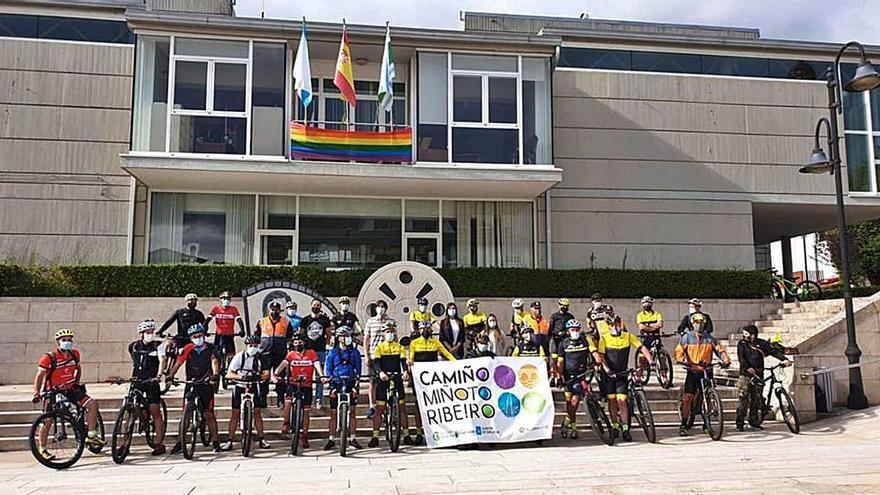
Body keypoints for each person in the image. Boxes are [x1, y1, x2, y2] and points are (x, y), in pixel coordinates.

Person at [33, 329, 103, 460]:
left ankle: (91, 434)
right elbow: (39, 375)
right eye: (64, 340)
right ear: (58, 342)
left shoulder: (74, 354)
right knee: (47, 420)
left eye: (69, 340)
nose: (67, 342)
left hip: (70, 388)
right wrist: (37, 392)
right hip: (53, 390)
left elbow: (78, 367)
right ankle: (42, 448)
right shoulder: (49, 357)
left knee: (93, 404)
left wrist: (76, 381)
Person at [593, 314, 653, 442]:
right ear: (609, 326)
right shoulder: (604, 338)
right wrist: (607, 370)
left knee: (622, 401)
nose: (615, 327)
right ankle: (614, 425)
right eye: (612, 325)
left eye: (617, 324)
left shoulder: (628, 336)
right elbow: (601, 357)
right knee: (612, 400)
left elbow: (642, 348)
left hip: (622, 373)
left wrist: (651, 360)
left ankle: (625, 428)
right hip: (609, 373)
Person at [166, 323, 222, 453]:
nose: (198, 338)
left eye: (200, 335)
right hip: (191, 383)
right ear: (191, 338)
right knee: (185, 412)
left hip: (206, 383)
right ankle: (180, 441)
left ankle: (215, 441)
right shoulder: (188, 348)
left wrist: (215, 375)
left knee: (209, 413)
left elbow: (214, 361)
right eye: (195, 336)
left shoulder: (211, 348)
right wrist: (170, 375)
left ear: (204, 335)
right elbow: (178, 363)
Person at [674, 313, 731, 436]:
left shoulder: (709, 338)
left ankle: (707, 423)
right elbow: (679, 351)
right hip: (693, 371)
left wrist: (725, 360)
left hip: (706, 370)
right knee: (688, 398)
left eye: (701, 323)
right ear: (693, 324)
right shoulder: (687, 338)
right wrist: (681, 359)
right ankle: (683, 424)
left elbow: (720, 350)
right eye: (696, 323)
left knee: (709, 396)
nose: (699, 325)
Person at [408, 319, 456, 445]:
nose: (426, 331)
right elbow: (411, 358)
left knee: (433, 404)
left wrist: (456, 363)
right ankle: (419, 433)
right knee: (418, 405)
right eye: (423, 329)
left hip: (432, 379)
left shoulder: (435, 342)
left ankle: (434, 431)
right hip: (418, 378)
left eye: (428, 328)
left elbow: (446, 354)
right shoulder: (414, 343)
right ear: (419, 330)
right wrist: (409, 363)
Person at [736, 325, 792, 431]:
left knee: (756, 398)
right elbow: (741, 358)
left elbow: (774, 352)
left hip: (759, 373)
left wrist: (784, 359)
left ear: (753, 335)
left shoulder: (761, 343)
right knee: (744, 399)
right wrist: (748, 368)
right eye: (744, 334)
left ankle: (754, 421)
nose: (745, 336)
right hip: (746, 374)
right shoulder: (742, 344)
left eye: (747, 334)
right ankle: (740, 422)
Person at [274, 331, 323, 450]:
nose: (297, 344)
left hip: (307, 385)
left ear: (304, 343)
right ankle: (286, 422)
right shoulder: (291, 354)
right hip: (294, 383)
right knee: (288, 400)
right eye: (295, 343)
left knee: (306, 411)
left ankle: (305, 434)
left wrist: (322, 376)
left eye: (299, 342)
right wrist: (275, 374)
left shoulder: (311, 353)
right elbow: (283, 365)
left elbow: (317, 365)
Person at [368, 320, 413, 447]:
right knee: (380, 408)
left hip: (396, 377)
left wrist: (405, 372)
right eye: (387, 332)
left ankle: (406, 435)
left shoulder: (399, 347)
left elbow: (403, 361)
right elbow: (376, 363)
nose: (390, 334)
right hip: (383, 379)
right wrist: (380, 373)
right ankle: (375, 436)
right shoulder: (380, 347)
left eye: (392, 332)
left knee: (402, 408)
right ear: (384, 333)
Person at [223, 334, 271, 451]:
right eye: (250, 345)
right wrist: (241, 377)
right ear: (246, 346)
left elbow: (267, 374)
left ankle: (261, 438)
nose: (253, 348)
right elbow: (229, 373)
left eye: (255, 345)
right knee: (235, 413)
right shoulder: (239, 356)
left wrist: (258, 376)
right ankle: (230, 440)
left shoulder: (261, 358)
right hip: (239, 386)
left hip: (254, 385)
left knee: (257, 413)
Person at [128, 320, 166, 455]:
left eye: (152, 332)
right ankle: (125, 442)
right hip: (137, 379)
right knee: (131, 408)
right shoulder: (133, 346)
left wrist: (159, 375)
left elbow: (162, 361)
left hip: (152, 380)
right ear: (141, 334)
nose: (150, 334)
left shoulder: (158, 346)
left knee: (155, 409)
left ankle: (159, 443)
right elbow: (135, 360)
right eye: (147, 332)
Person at [323, 326, 363, 451]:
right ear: (339, 338)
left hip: (350, 382)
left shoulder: (354, 352)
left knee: (352, 412)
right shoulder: (333, 352)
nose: (347, 339)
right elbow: (328, 370)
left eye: (349, 336)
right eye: (345, 336)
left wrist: (357, 385)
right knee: (333, 413)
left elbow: (358, 370)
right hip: (337, 382)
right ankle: (331, 439)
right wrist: (331, 385)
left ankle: (353, 438)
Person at [556, 319, 591, 439]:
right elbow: (560, 362)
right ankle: (571, 425)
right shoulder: (563, 343)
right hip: (567, 376)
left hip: (580, 375)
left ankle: (569, 424)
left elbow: (591, 354)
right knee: (568, 402)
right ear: (568, 331)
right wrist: (559, 376)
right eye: (572, 330)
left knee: (575, 401)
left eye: (577, 330)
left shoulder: (584, 341)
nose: (575, 332)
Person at [255, 301, 293, 407]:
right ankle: (263, 399)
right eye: (272, 309)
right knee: (264, 377)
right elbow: (257, 336)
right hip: (265, 353)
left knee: (280, 377)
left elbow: (290, 337)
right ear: (269, 310)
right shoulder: (262, 322)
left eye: (276, 309)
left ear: (279, 310)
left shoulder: (286, 322)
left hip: (280, 353)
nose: (274, 311)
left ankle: (280, 398)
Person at [301, 299, 334, 408]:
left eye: (318, 305)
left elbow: (328, 334)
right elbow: (301, 334)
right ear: (311, 306)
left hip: (320, 350)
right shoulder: (305, 320)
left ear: (321, 307)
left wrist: (326, 344)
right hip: (308, 351)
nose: (316, 307)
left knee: (320, 376)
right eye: (314, 305)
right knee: (307, 375)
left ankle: (319, 399)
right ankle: (306, 398)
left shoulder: (325, 320)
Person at [363, 299, 391, 420]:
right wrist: (366, 355)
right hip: (374, 355)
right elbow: (366, 339)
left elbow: (394, 337)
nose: (381, 309)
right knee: (372, 382)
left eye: (383, 307)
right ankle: (372, 405)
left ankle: (387, 406)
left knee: (386, 382)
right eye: (379, 307)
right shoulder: (370, 321)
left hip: (387, 355)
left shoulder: (391, 321)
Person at [205, 291, 246, 371]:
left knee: (231, 355)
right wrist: (205, 329)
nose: (226, 300)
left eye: (228, 299)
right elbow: (208, 320)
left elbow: (239, 320)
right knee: (215, 355)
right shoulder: (216, 309)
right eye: (224, 298)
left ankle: (230, 372)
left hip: (229, 335)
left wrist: (242, 330)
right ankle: (215, 374)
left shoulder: (233, 309)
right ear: (221, 300)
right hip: (219, 335)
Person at [548, 298, 575, 384]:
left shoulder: (570, 316)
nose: (564, 308)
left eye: (566, 306)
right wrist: (556, 333)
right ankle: (553, 376)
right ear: (559, 306)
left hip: (565, 341)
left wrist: (566, 332)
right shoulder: (554, 316)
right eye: (563, 306)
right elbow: (550, 330)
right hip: (556, 340)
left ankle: (560, 376)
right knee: (554, 359)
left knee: (563, 359)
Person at [636, 296, 664, 370]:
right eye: (645, 303)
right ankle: (639, 376)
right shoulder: (640, 315)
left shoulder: (657, 314)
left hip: (656, 337)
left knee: (662, 356)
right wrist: (654, 326)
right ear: (642, 304)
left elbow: (660, 325)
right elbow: (641, 327)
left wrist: (647, 326)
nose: (647, 305)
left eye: (649, 303)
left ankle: (664, 376)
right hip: (645, 338)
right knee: (642, 358)